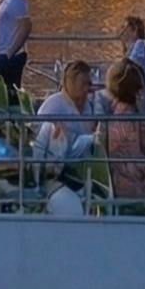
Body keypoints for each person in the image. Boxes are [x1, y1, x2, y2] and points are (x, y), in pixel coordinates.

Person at [102, 60, 145, 208]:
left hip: (122, 182)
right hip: (132, 188)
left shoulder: (119, 113)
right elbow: (134, 165)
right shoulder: (128, 120)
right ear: (138, 90)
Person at [35, 60, 99, 215]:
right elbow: (41, 139)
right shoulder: (54, 106)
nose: (87, 89)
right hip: (61, 169)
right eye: (83, 84)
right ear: (70, 83)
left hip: (84, 163)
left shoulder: (88, 106)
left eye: (89, 84)